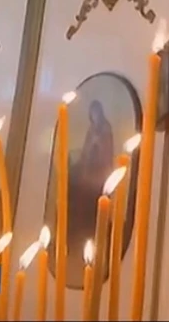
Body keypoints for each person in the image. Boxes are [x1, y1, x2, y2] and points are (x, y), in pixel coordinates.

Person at [66, 100, 115, 273]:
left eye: (96, 112)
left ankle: (97, 249)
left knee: (96, 213)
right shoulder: (91, 130)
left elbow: (106, 152)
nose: (94, 116)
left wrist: (98, 144)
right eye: (91, 113)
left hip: (99, 178)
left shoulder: (106, 129)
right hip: (87, 176)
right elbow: (86, 150)